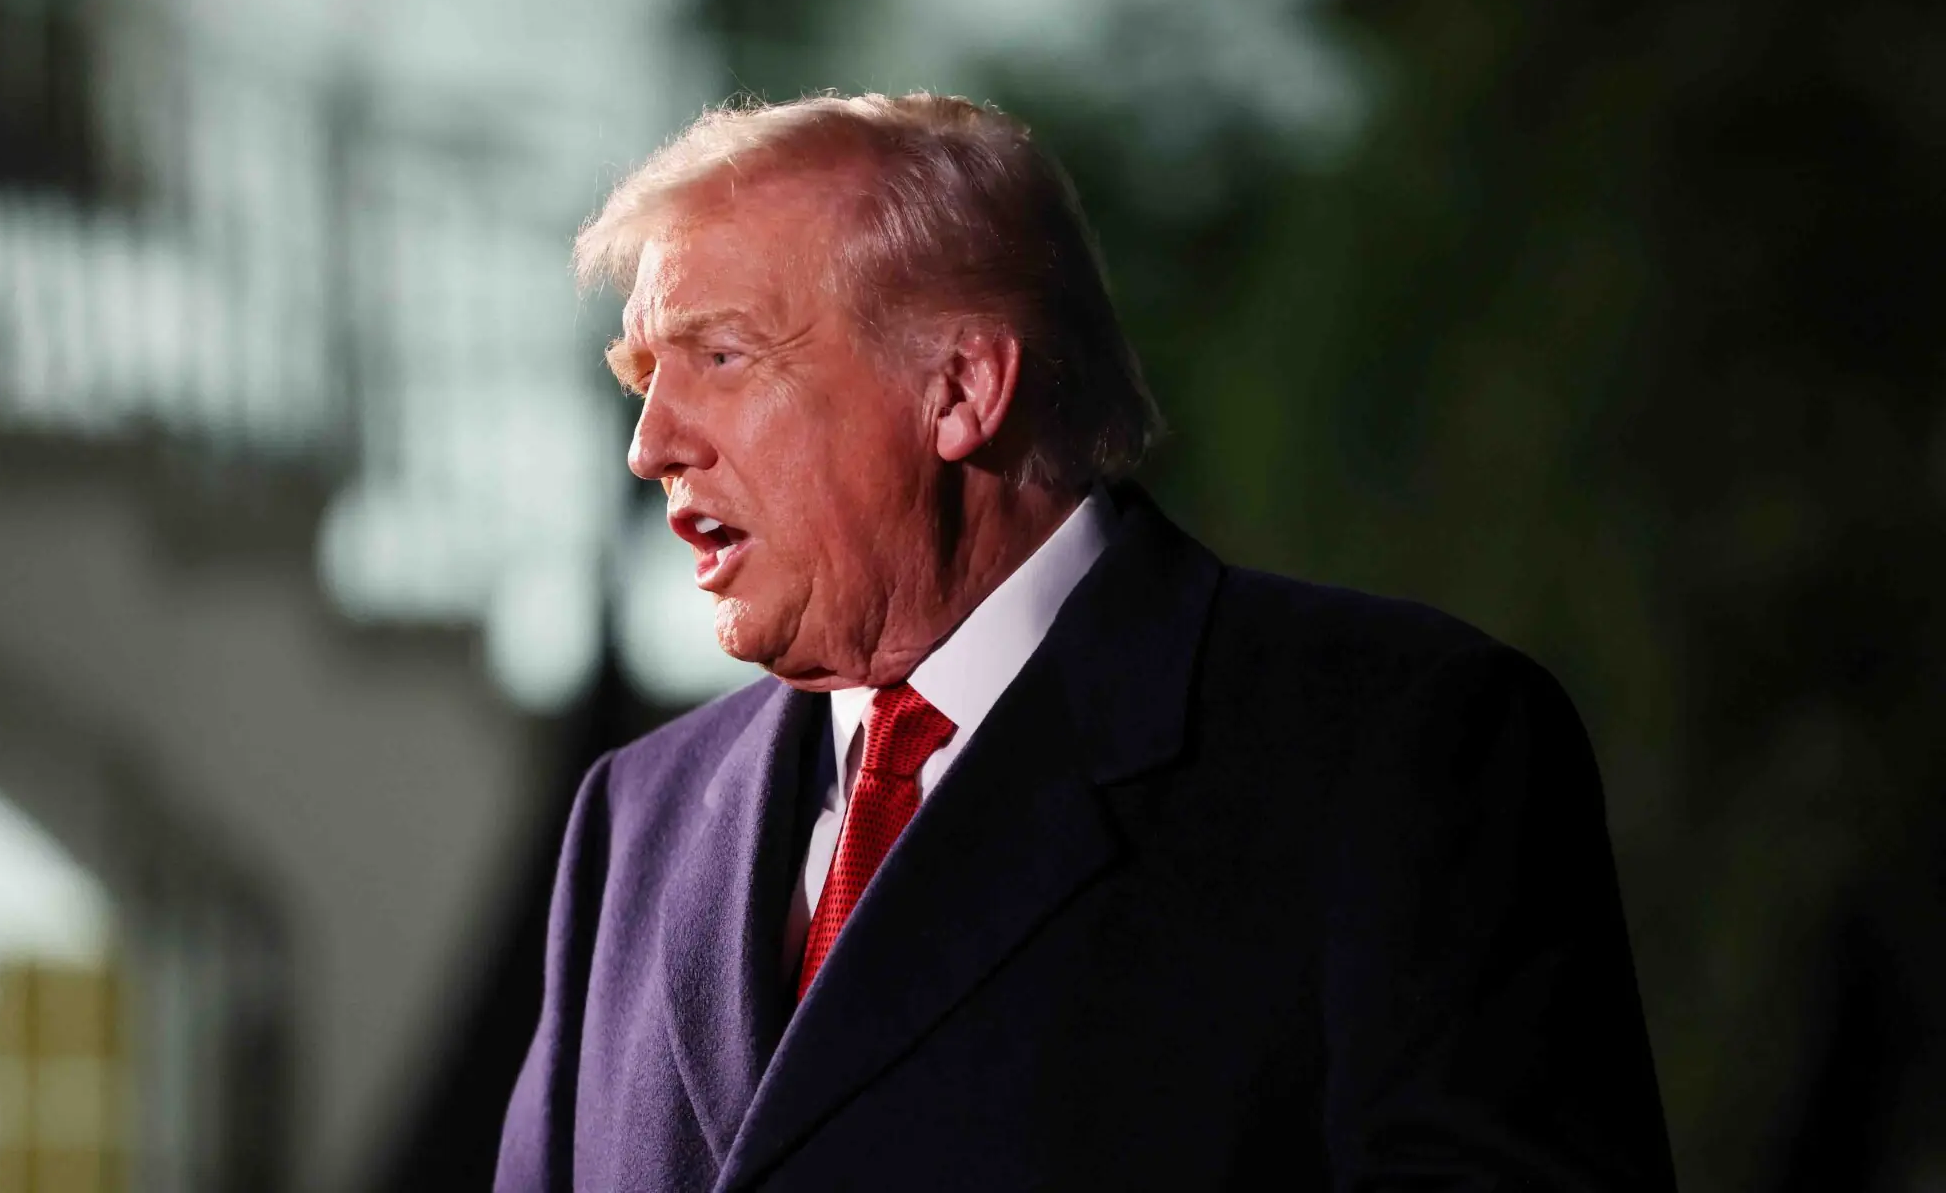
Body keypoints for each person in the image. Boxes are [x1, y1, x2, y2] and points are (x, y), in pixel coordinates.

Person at [496, 92, 1677, 1192]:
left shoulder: (1392, 747)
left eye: (719, 357)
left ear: (961, 389)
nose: (650, 444)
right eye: (643, 377)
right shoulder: (632, 821)